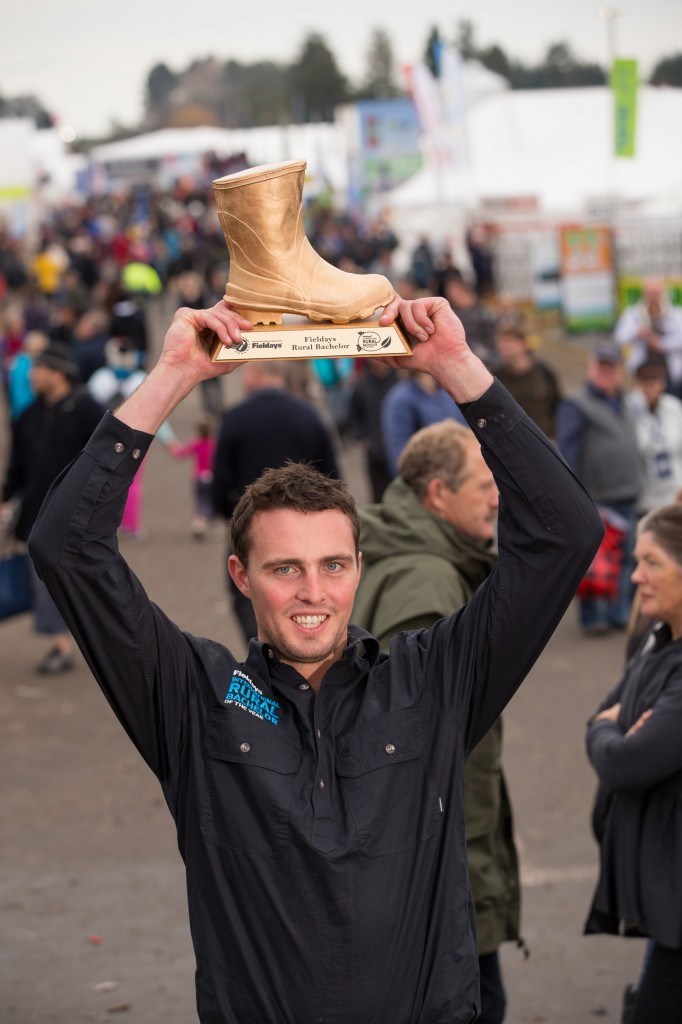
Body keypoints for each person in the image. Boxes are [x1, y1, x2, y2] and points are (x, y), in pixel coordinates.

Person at [28, 296, 602, 1023]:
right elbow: (66, 550)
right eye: (284, 568)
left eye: (333, 565)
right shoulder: (195, 700)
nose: (313, 593)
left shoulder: (432, 680)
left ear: (360, 567)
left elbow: (565, 535)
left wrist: (455, 365)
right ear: (241, 576)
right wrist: (172, 374)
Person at [352, 419, 519, 1024]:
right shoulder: (430, 578)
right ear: (437, 495)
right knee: (474, 999)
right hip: (441, 844)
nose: (497, 496)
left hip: (424, 840)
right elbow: (407, 729)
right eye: (483, 484)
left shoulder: (397, 549)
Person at [585, 502, 682, 1024]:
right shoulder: (657, 638)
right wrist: (609, 725)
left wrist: (610, 728)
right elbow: (600, 719)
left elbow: (625, 764)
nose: (636, 574)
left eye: (651, 562)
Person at [211, 358, 340, 643]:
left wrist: (230, 517)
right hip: (305, 529)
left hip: (248, 526)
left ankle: (262, 655)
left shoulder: (235, 416)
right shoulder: (309, 416)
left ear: (255, 373)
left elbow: (219, 477)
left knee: (246, 593)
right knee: (306, 594)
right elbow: (333, 478)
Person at [1, 342, 102, 673]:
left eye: (37, 369)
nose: (30, 375)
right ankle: (62, 645)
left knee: (86, 585)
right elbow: (18, 469)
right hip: (37, 519)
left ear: (58, 373)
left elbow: (107, 467)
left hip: (80, 519)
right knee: (46, 584)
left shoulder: (90, 412)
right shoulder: (28, 416)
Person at [557, 343, 642, 635]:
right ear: (591, 368)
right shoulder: (576, 404)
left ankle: (618, 615)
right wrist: (574, 499)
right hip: (596, 498)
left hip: (627, 494)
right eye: (602, 366)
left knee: (626, 559)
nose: (607, 372)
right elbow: (567, 454)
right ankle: (594, 619)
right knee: (595, 564)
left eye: (612, 367)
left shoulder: (626, 401)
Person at [626, 356, 682, 516]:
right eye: (645, 381)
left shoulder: (673, 407)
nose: (651, 387)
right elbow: (638, 447)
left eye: (656, 380)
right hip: (645, 501)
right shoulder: (629, 408)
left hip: (674, 495)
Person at [495, 320, 562, 440]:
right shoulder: (495, 378)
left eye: (509, 341)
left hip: (545, 441)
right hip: (513, 444)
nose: (504, 347)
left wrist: (556, 437)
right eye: (501, 342)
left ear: (523, 344)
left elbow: (558, 406)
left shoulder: (543, 372)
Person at [614, 279, 682, 396]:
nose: (653, 297)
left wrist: (661, 344)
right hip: (642, 373)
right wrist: (637, 332)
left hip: (670, 374)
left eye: (656, 293)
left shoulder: (675, 314)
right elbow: (619, 337)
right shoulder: (633, 314)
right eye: (650, 293)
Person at [169, 415, 218, 539]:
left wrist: (172, 445)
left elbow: (180, 454)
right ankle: (208, 520)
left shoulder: (196, 443)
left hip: (199, 477)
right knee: (210, 500)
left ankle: (199, 523)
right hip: (212, 477)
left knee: (200, 501)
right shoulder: (215, 444)